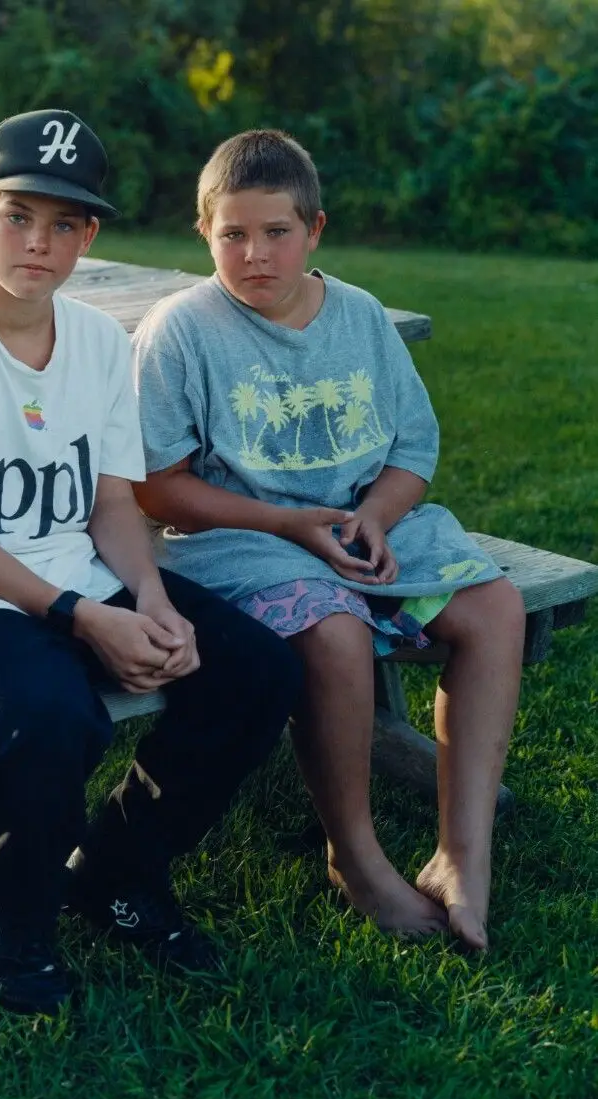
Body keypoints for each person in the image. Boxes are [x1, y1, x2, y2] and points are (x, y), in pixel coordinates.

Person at [0, 110, 302, 1015]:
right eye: (20, 215)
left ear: (89, 236)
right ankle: (14, 923)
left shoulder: (102, 342)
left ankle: (116, 873)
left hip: (87, 573)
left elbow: (111, 503)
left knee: (255, 670)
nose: (40, 241)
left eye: (65, 223)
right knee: (52, 719)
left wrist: (149, 596)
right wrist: (82, 616)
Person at [132, 129, 526, 952]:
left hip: (359, 519)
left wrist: (378, 514)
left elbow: (412, 451)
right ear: (203, 232)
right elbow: (155, 487)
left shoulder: (361, 319)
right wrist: (285, 522)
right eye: (232, 234)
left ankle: (462, 853)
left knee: (494, 608)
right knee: (335, 631)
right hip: (240, 535)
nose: (254, 255)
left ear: (315, 230)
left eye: (276, 232)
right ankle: (354, 851)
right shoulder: (181, 330)